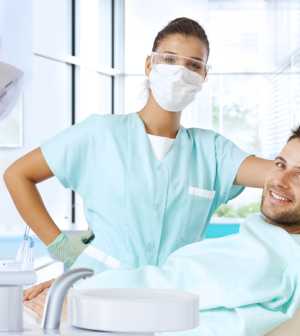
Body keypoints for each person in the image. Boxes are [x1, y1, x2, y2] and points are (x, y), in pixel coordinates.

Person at [23, 121, 300, 336]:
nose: (279, 180)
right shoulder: (260, 243)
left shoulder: (269, 260)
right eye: (279, 165)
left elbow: (178, 302)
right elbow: (172, 284)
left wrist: (88, 302)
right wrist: (87, 284)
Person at [3, 18, 273, 277]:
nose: (180, 72)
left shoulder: (212, 151)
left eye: (193, 64)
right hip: (99, 291)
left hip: (177, 303)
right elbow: (17, 175)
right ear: (149, 64)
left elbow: (284, 177)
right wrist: (61, 247)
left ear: (204, 75)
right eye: (169, 59)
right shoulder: (99, 134)